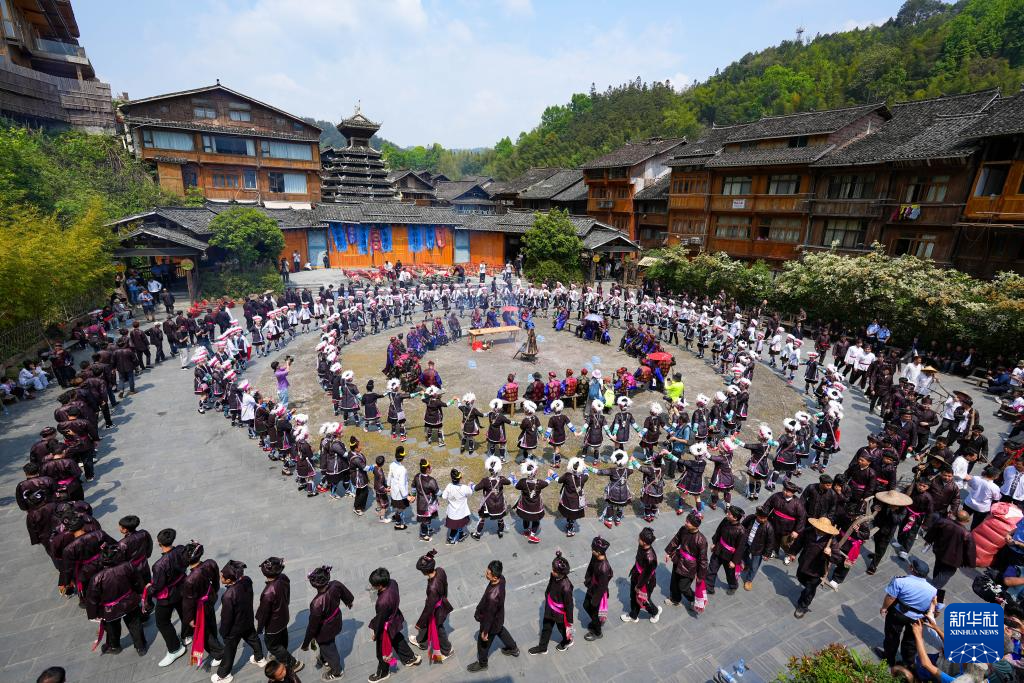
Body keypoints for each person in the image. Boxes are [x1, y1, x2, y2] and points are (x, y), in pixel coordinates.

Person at [873, 557, 937, 667]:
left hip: (898, 614)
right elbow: (936, 607)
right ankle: (907, 664)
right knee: (911, 641)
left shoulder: (900, 581)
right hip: (917, 619)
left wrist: (884, 608)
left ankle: (889, 659)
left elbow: (891, 597)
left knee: (892, 636)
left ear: (912, 568)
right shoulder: (933, 590)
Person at [87, 542, 147, 655]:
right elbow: (137, 581)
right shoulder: (127, 566)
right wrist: (140, 593)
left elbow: (92, 599)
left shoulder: (97, 578)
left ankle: (114, 646)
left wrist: (93, 614)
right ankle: (141, 646)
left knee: (112, 628)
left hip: (110, 609)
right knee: (135, 624)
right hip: (129, 602)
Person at [213, 560, 266, 682]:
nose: (220, 577)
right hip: (247, 619)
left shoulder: (228, 595)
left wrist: (223, 632)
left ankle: (223, 675)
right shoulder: (247, 580)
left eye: (222, 576)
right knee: (253, 639)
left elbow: (226, 618)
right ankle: (260, 658)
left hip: (234, 629)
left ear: (228, 580)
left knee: (229, 651)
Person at [368, 567, 421, 682]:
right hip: (395, 617)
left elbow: (380, 620)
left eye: (373, 585)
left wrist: (375, 633)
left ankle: (383, 673)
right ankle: (410, 658)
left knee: (382, 651)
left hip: (386, 625)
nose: (372, 586)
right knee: (397, 638)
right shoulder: (392, 583)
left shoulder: (382, 602)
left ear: (380, 585)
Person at [302, 565, 354, 681]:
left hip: (324, 630)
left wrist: (306, 644)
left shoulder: (316, 603)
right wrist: (348, 602)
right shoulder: (335, 584)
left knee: (329, 649)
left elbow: (312, 627)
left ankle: (337, 672)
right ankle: (325, 659)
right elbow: (345, 593)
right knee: (327, 645)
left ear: (314, 584)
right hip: (336, 619)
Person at [467, 560, 519, 673]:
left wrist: (485, 631)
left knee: (483, 644)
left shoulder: (493, 597)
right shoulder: (502, 579)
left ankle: (482, 664)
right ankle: (513, 648)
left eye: (488, 573)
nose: (486, 574)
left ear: (495, 577)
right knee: (500, 630)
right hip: (498, 618)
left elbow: (489, 616)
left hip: (490, 622)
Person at [147, 528, 188, 667]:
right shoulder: (181, 549)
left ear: (159, 543)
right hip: (182, 586)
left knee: (162, 622)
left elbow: (157, 586)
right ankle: (187, 635)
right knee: (184, 612)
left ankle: (175, 648)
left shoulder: (159, 565)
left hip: (168, 595)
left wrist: (149, 589)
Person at [181, 541, 224, 667]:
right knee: (211, 620)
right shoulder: (211, 563)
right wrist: (214, 592)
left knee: (203, 632)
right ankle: (215, 639)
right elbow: (216, 581)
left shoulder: (189, 580)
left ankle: (219, 653)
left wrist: (189, 618)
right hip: (210, 598)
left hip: (199, 607)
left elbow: (188, 602)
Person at [256, 557, 302, 673]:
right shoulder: (283, 578)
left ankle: (293, 663)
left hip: (273, 624)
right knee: (282, 636)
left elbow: (264, 613)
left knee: (272, 646)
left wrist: (260, 628)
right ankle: (282, 652)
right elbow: (287, 595)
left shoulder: (267, 593)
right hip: (283, 615)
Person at [790, 517, 839, 618]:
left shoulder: (832, 541)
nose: (819, 531)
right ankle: (807, 590)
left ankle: (803, 606)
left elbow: (837, 559)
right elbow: (799, 542)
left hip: (817, 570)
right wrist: (793, 553)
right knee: (800, 578)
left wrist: (830, 554)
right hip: (804, 564)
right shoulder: (808, 531)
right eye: (818, 529)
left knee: (810, 590)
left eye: (822, 530)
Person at [663, 510, 709, 616]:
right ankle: (675, 599)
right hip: (678, 559)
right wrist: (669, 552)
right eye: (686, 521)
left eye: (688, 522)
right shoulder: (683, 529)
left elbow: (703, 560)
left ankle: (693, 599)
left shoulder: (701, 540)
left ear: (695, 525)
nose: (685, 523)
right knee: (674, 582)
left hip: (690, 567)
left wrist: (700, 575)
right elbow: (676, 540)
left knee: (683, 586)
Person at [528, 551, 574, 654]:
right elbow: (550, 585)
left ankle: (567, 641)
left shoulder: (566, 587)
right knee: (546, 627)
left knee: (562, 628)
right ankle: (542, 647)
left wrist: (569, 620)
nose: (552, 571)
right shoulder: (554, 576)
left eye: (554, 570)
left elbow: (569, 604)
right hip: (550, 608)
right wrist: (547, 594)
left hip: (559, 613)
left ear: (561, 573)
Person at [412, 550, 454, 662]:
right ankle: (422, 641)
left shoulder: (432, 588)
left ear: (424, 572)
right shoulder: (440, 570)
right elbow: (445, 585)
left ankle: (447, 649)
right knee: (429, 624)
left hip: (436, 609)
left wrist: (419, 623)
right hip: (441, 601)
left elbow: (428, 609)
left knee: (438, 628)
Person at [923, 510, 976, 589]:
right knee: (944, 574)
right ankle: (931, 589)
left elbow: (933, 532)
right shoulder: (967, 535)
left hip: (940, 552)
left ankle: (934, 584)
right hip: (953, 560)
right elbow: (970, 551)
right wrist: (971, 563)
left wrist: (928, 540)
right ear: (967, 521)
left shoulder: (944, 522)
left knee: (938, 568)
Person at [622, 526, 660, 624]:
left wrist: (638, 586)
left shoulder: (650, 558)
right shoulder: (641, 546)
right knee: (633, 596)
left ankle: (655, 612)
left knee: (644, 600)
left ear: (645, 542)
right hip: (637, 575)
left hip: (645, 582)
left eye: (640, 538)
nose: (638, 539)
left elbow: (646, 575)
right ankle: (634, 615)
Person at [708, 506, 746, 595]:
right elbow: (718, 532)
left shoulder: (741, 531)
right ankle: (709, 587)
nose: (727, 514)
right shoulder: (725, 521)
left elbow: (740, 548)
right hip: (719, 549)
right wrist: (714, 543)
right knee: (712, 569)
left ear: (735, 518)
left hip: (730, 556)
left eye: (729, 514)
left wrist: (734, 561)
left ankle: (733, 586)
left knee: (730, 573)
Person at [582, 536, 613, 640]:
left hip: (597, 593)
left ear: (599, 552)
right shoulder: (595, 556)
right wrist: (588, 580)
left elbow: (602, 587)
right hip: (592, 587)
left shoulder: (604, 568)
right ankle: (596, 621)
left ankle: (598, 632)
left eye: (593, 549)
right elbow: (590, 567)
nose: (591, 550)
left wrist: (595, 601)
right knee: (586, 605)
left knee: (594, 611)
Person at [740, 506, 775, 591]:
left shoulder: (768, 527)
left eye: (765, 518)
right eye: (761, 518)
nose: (763, 520)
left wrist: (767, 554)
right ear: (756, 515)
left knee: (754, 566)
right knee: (743, 555)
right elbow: (742, 526)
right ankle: (747, 564)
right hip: (747, 543)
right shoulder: (750, 518)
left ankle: (749, 580)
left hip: (759, 549)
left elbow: (770, 542)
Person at [963, 464, 1001, 529]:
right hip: (982, 509)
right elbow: (996, 498)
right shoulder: (995, 487)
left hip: (969, 503)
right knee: (975, 525)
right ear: (995, 477)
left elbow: (970, 484)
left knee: (961, 519)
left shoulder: (976, 478)